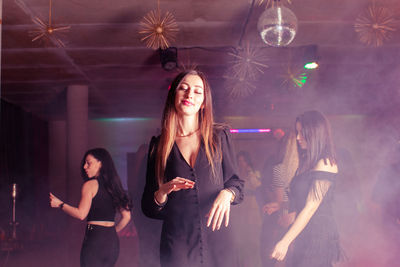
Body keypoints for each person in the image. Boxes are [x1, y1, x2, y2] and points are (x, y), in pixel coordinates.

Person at [141, 69, 244, 267]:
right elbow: (148, 208)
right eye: (184, 88)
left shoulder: (219, 136)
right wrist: (163, 191)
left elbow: (236, 183)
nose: (190, 95)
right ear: (174, 95)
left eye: (198, 91)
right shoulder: (159, 145)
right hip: (177, 242)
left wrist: (227, 193)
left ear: (204, 101)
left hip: (219, 239)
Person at [270, 110, 342, 267]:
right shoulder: (307, 162)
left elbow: (311, 207)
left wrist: (285, 242)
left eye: (302, 132)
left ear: (315, 133)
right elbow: (302, 201)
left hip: (318, 235)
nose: (297, 137)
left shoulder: (326, 163)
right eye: (297, 132)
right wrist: (281, 205)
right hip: (304, 232)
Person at [50, 148, 132, 267]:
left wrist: (60, 204)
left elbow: (81, 214)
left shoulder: (90, 185)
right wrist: (112, 232)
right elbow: (127, 217)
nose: (84, 166)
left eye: (89, 163)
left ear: (100, 163)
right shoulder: (115, 186)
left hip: (95, 240)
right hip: (112, 242)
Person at [260, 132, 298, 267]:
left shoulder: (279, 169)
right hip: (297, 222)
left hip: (288, 220)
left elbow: (280, 199)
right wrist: (278, 205)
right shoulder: (305, 169)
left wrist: (279, 205)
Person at [235, 150, 262, 267]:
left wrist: (250, 172)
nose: (242, 163)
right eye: (239, 161)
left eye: (243, 161)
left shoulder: (254, 173)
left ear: (247, 162)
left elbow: (258, 186)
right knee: (239, 236)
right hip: (239, 206)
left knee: (252, 236)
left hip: (251, 204)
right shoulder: (235, 174)